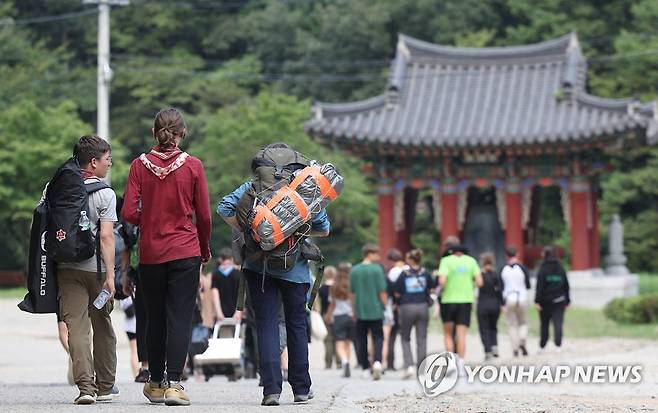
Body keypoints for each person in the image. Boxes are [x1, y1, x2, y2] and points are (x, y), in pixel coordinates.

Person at [217, 143, 330, 406]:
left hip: (259, 268)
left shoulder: (252, 188)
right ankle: (301, 388)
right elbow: (324, 228)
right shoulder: (304, 192)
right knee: (297, 327)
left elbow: (224, 207)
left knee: (266, 325)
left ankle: (271, 390)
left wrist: (251, 231)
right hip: (297, 270)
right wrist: (295, 231)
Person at [122, 108, 212, 406]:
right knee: (181, 316)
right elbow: (205, 216)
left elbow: (128, 213)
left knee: (156, 317)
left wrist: (149, 217)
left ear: (154, 133)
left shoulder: (138, 166)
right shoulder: (193, 166)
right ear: (182, 133)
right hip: (186, 250)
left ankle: (156, 381)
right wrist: (204, 247)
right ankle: (175, 383)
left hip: (150, 252)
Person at [57, 135, 117, 404]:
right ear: (93, 162)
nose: (110, 164)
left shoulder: (55, 188)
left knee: (77, 329)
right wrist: (112, 276)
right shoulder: (105, 193)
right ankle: (104, 386)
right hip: (97, 270)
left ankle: (85, 388)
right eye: (107, 159)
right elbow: (106, 237)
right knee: (102, 325)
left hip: (66, 268)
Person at [437, 236, 482, 370]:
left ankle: (451, 364)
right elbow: (480, 282)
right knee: (461, 334)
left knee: (448, 334)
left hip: (448, 300)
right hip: (465, 300)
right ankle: (461, 364)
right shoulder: (471, 261)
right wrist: (469, 285)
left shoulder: (445, 261)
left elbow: (442, 282)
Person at [393, 249, 435, 379]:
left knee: (405, 337)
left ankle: (409, 365)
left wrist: (398, 303)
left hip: (407, 307)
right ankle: (421, 369)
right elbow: (431, 288)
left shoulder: (404, 274)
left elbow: (397, 292)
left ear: (410, 260)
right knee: (421, 338)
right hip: (423, 307)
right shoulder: (425, 273)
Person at [350, 244, 387, 381]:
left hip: (360, 309)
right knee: (378, 337)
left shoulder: (354, 270)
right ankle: (377, 362)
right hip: (376, 308)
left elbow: (352, 293)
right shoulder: (377, 270)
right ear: (369, 254)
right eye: (376, 254)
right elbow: (382, 291)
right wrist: (385, 305)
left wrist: (353, 309)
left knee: (361, 339)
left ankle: (365, 367)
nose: (378, 256)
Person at [535, 246, 570, 353]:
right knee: (558, 323)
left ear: (545, 255)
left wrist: (537, 301)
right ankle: (558, 345)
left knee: (544, 324)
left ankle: (542, 346)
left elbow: (540, 286)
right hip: (559, 300)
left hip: (545, 302)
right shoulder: (561, 267)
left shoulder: (543, 268)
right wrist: (568, 300)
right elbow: (566, 285)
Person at [325, 263, 355, 378]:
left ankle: (344, 361)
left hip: (339, 317)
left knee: (339, 342)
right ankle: (347, 361)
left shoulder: (334, 286)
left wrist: (328, 316)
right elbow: (354, 302)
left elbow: (332, 304)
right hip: (351, 317)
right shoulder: (352, 285)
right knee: (348, 343)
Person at [500, 245, 531, 357]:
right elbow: (528, 285)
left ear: (506, 256)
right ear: (517, 254)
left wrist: (502, 303)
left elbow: (501, 287)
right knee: (523, 322)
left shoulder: (503, 269)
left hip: (509, 297)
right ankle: (522, 339)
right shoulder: (522, 268)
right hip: (521, 297)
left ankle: (515, 348)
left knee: (512, 324)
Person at [476, 252, 504, 361]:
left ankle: (488, 350)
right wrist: (502, 304)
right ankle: (494, 346)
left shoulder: (480, 275)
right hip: (495, 304)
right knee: (493, 326)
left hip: (483, 304)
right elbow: (500, 291)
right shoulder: (496, 275)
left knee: (484, 328)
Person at [384, 248, 406, 371]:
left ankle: (390, 363)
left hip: (395, 307)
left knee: (391, 337)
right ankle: (408, 362)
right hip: (408, 305)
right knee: (405, 336)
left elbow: (392, 290)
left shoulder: (393, 272)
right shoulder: (407, 269)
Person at [211, 248, 243, 321]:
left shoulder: (216, 274)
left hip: (221, 313)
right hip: (235, 312)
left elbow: (215, 294)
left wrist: (218, 312)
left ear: (220, 260)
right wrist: (238, 312)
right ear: (232, 259)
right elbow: (241, 293)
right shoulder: (238, 274)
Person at [318, 266, 338, 370]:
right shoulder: (337, 287)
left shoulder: (322, 288)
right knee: (338, 339)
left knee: (328, 340)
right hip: (337, 314)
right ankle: (339, 361)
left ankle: (328, 362)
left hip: (325, 314)